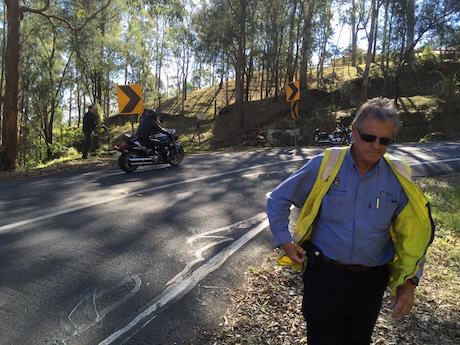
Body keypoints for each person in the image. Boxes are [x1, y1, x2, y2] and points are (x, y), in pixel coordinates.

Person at [267, 97, 434, 345]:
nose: (376, 146)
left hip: (370, 284)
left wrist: (409, 283)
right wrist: (284, 240)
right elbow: (278, 198)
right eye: (369, 137)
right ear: (354, 131)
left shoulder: (398, 178)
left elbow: (415, 235)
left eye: (385, 140)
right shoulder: (326, 166)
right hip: (325, 277)